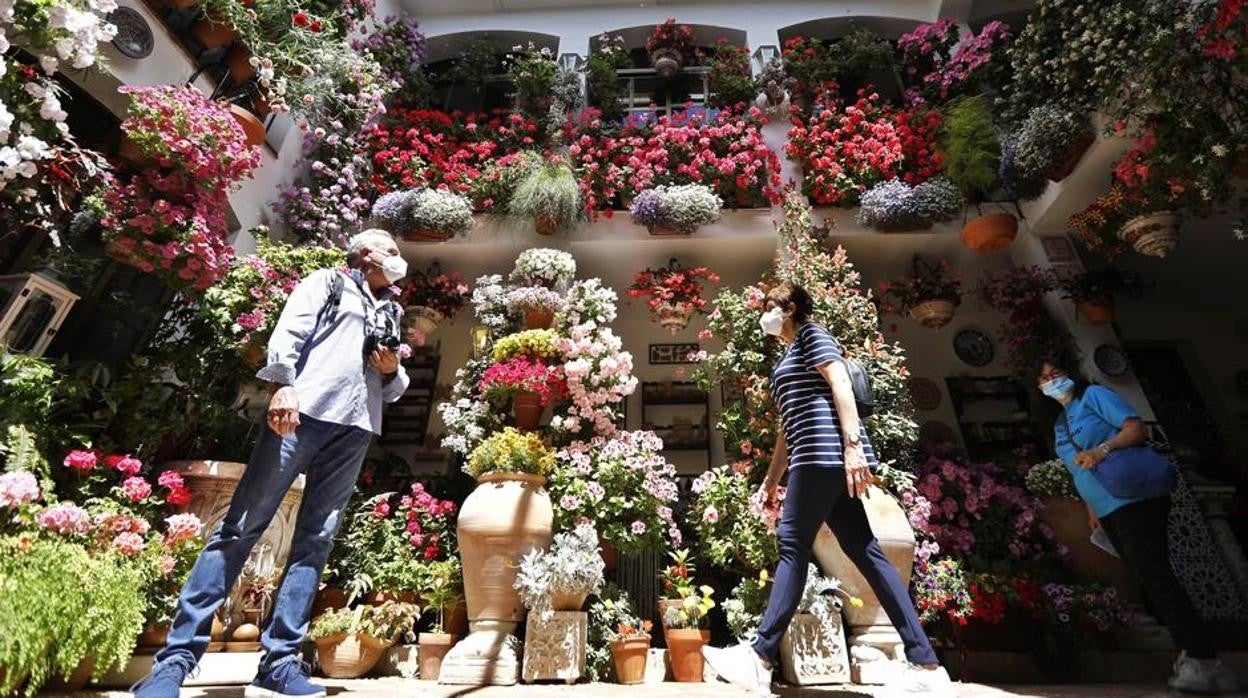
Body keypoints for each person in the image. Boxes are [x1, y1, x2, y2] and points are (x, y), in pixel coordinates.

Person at [133, 229, 412, 698]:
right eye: (392, 249)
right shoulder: (327, 282)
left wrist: (392, 371)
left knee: (316, 541)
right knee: (241, 527)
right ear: (365, 253)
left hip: (357, 425)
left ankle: (280, 661)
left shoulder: (393, 309)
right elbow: (291, 330)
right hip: (301, 414)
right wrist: (282, 384)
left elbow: (392, 379)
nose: (400, 259)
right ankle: (174, 662)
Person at [702, 283, 954, 698]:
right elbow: (786, 429)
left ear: (793, 308)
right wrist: (770, 480)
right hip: (813, 456)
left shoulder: (812, 335)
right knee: (867, 552)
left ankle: (759, 657)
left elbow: (840, 385)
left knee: (791, 544)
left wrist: (854, 447)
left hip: (825, 453)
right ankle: (926, 664)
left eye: (772, 305)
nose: (765, 312)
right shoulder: (786, 357)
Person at [1036, 361, 1238, 695]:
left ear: (1070, 372)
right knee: (1149, 577)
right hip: (1106, 507)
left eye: (1055, 372)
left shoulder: (1095, 396)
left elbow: (1135, 429)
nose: (1050, 380)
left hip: (1134, 496)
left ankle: (1203, 659)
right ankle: (1199, 656)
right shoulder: (1060, 422)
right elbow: (1077, 469)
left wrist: (1102, 450)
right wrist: (1091, 509)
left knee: (1155, 574)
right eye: (1043, 378)